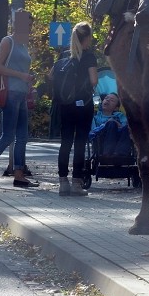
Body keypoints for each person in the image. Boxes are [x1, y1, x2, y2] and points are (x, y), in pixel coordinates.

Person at [0, 9, 39, 189]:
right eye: (26, 24)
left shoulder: (23, 46)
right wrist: (21, 75)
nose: (29, 27)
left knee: (22, 137)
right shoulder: (8, 41)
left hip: (21, 94)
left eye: (30, 24)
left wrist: (28, 79)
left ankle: (19, 174)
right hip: (10, 93)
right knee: (8, 136)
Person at [53, 21, 98, 196]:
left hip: (66, 105)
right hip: (83, 104)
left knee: (65, 142)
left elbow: (51, 75)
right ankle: (77, 184)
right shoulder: (89, 57)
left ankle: (62, 182)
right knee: (80, 143)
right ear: (86, 37)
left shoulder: (64, 54)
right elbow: (94, 80)